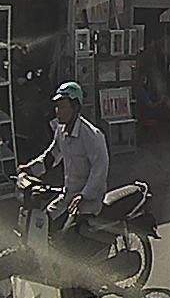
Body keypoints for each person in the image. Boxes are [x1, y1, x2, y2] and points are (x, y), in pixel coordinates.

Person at [18, 82, 110, 238]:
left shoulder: (92, 136)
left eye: (62, 107)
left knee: (69, 239)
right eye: (56, 107)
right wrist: (30, 168)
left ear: (75, 107)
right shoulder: (61, 130)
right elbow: (52, 156)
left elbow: (99, 171)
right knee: (42, 224)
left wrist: (84, 195)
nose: (57, 111)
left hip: (88, 201)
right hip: (68, 195)